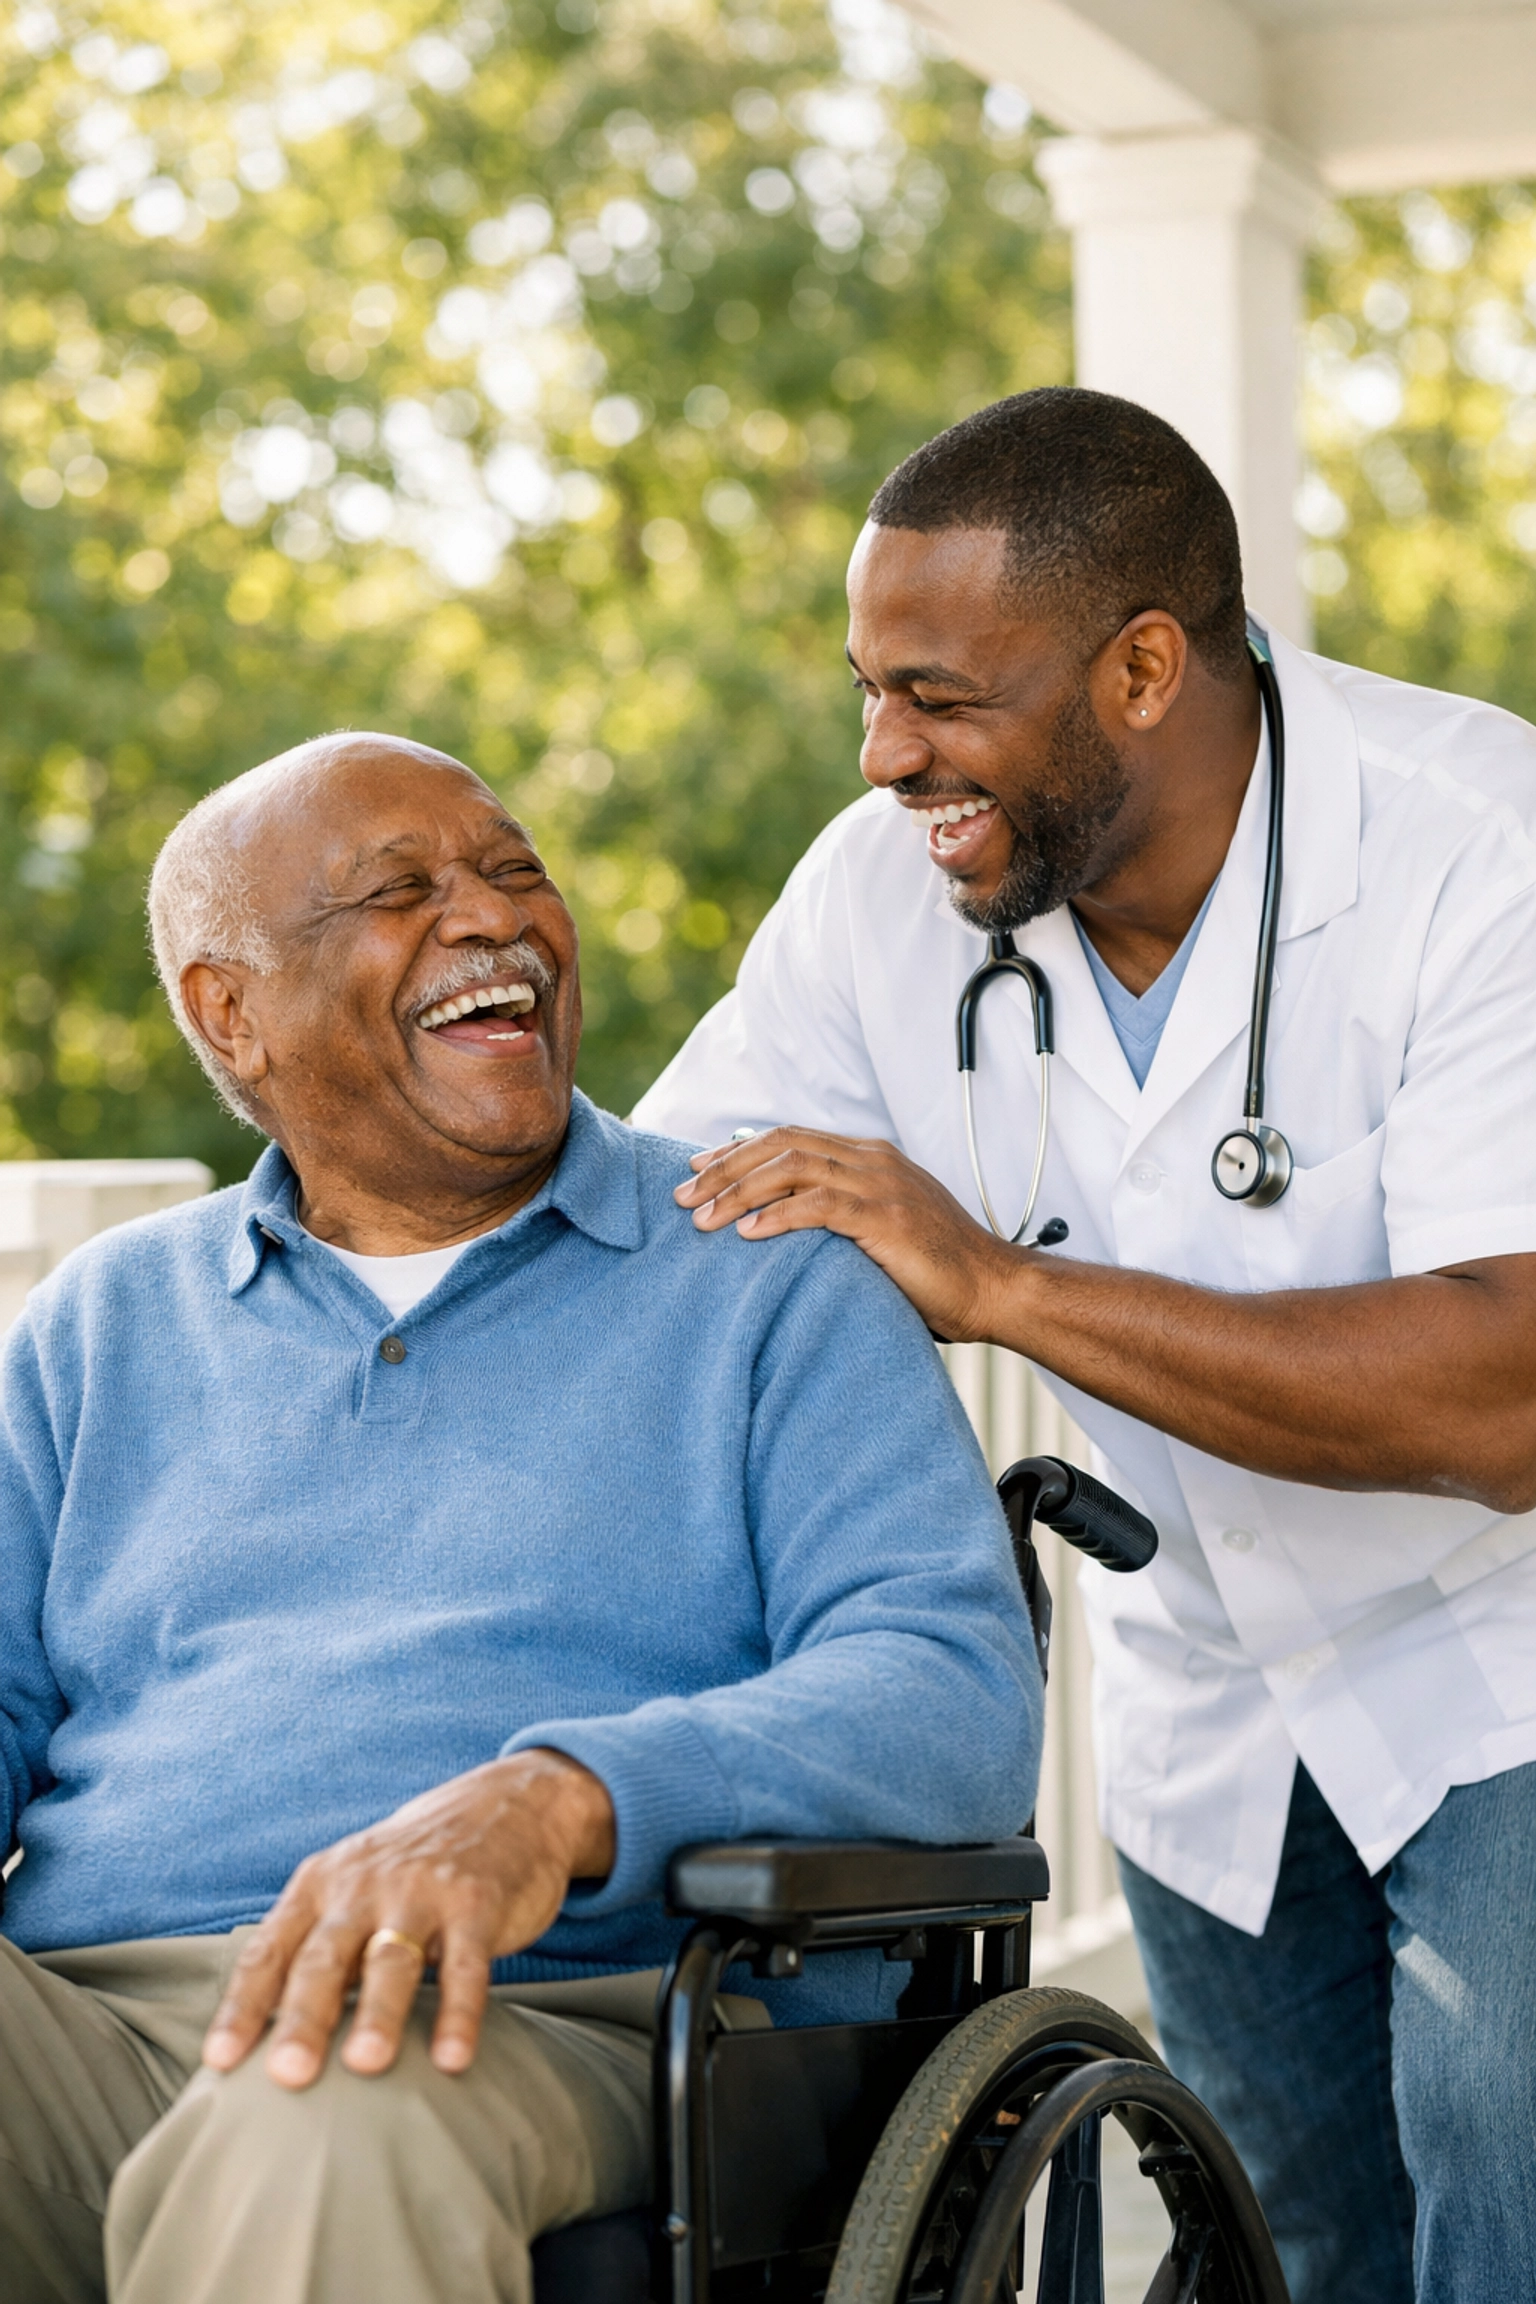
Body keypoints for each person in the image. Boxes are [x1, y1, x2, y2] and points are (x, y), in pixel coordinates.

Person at [635, 387, 1536, 2304]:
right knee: (1287, 2249)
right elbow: (678, 1210)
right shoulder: (887, 890)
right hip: (1206, 1683)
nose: (885, 755)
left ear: (1142, 667)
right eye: (870, 688)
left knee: (1513, 2214)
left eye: (940, 694)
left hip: (1504, 1656)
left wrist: (1000, 1287)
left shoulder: (1480, 846)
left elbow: (1507, 1389)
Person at [0, 734, 1042, 2304]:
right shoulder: (102, 1326)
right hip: (104, 2018)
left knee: (320, 2112)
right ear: (234, 1011)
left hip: (572, 2020)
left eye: (514, 873)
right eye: (401, 892)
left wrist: (561, 1799)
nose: (494, 922)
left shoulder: (765, 1277)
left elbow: (950, 1691)